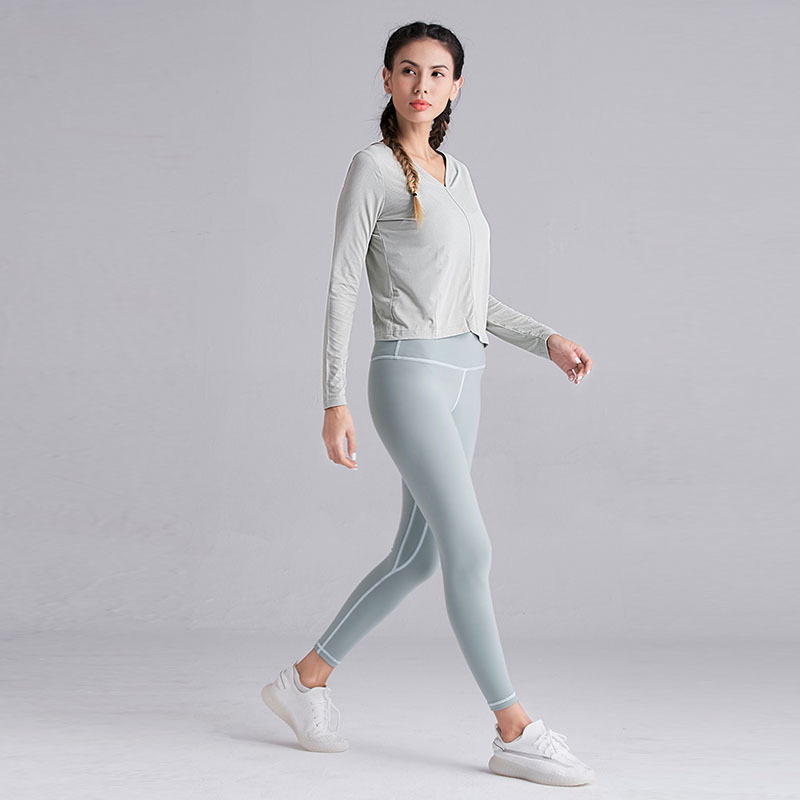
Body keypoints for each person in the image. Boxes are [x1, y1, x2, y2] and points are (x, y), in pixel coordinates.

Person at [261, 21, 595, 787]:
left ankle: (305, 680)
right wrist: (333, 400)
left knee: (419, 557)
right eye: (408, 70)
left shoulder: (458, 175)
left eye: (438, 73)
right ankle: (514, 727)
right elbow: (342, 286)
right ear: (386, 80)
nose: (422, 85)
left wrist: (544, 339)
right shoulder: (373, 168)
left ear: (456, 87)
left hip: (466, 374)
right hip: (409, 373)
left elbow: (472, 296)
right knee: (469, 549)